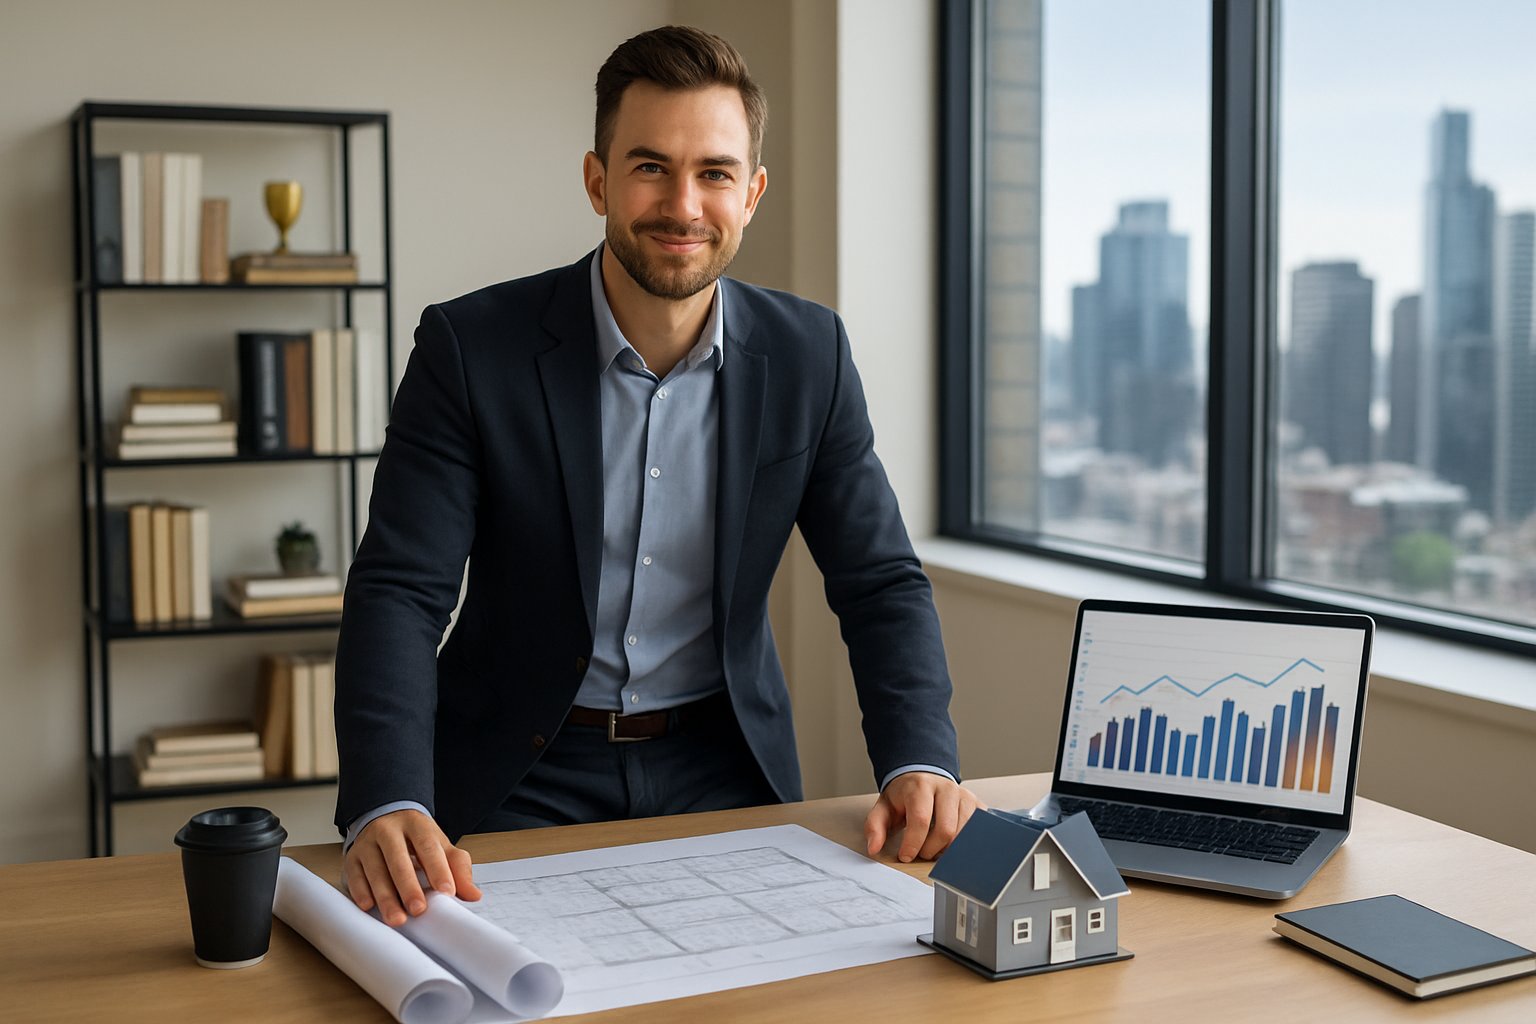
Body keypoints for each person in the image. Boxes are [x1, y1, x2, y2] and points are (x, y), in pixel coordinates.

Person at [335, 25, 983, 927]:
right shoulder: (470, 349)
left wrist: (922, 760)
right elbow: (401, 590)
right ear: (598, 180)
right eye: (650, 167)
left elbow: (878, 582)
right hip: (520, 765)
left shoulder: (810, 356)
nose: (683, 204)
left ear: (751, 193)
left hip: (723, 761)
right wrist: (386, 796)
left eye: (715, 172)